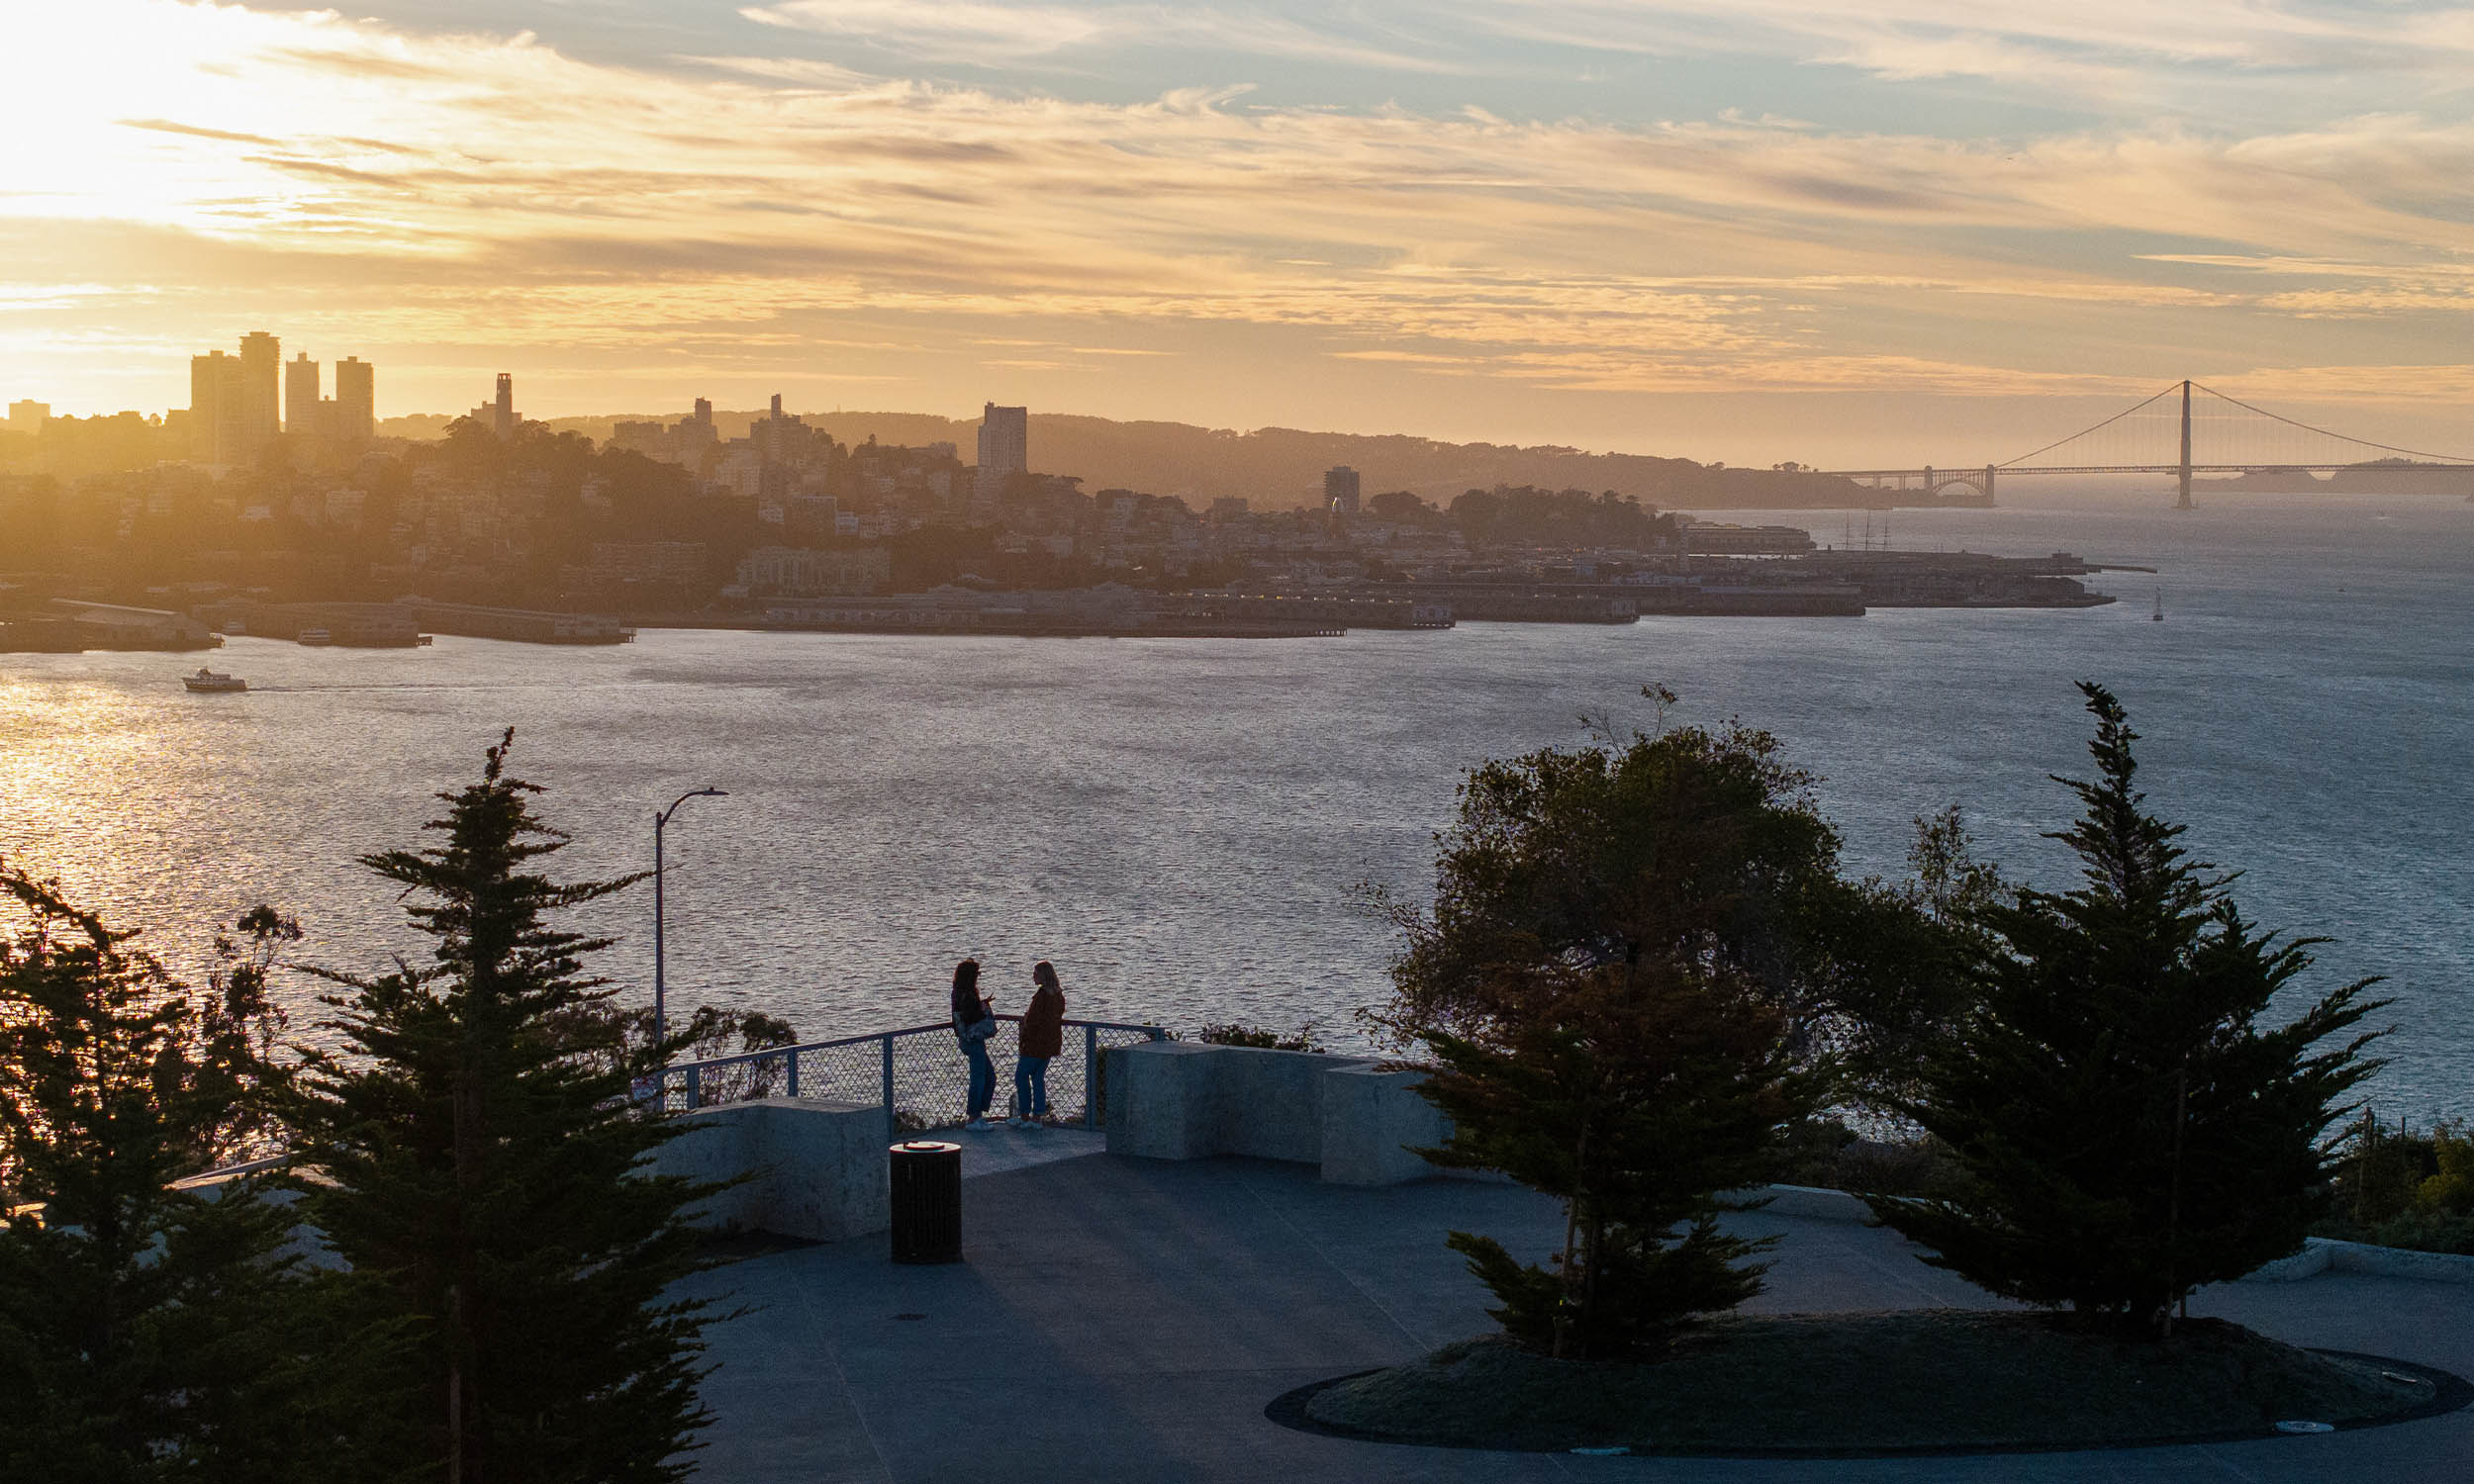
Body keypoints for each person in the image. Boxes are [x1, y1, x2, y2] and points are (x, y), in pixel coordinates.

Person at [1014, 961, 1066, 1129]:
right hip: (1050, 1044)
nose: (1033, 976)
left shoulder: (1042, 996)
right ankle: (1037, 1116)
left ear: (1043, 975)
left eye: (1035, 973)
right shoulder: (1058, 996)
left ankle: (1024, 1115)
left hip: (1035, 1044)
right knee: (1037, 1078)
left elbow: (1033, 1021)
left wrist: (1024, 1030)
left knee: (1021, 1076)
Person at [951, 959, 998, 1130]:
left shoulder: (959, 992)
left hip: (968, 1039)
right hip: (973, 1039)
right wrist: (983, 1008)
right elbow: (970, 1016)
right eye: (977, 974)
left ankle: (978, 1113)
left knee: (989, 1077)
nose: (978, 977)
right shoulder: (966, 994)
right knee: (980, 1078)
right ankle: (973, 1117)